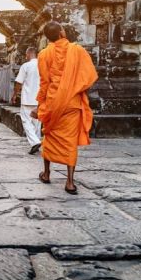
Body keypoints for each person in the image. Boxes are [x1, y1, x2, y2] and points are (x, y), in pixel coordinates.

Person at [33, 22, 98, 195]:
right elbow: (89, 76)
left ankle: (46, 173)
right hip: (72, 102)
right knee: (69, 142)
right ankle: (69, 182)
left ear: (47, 37)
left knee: (49, 135)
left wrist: (40, 104)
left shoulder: (44, 54)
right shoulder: (77, 51)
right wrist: (76, 90)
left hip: (53, 103)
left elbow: (44, 83)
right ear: (62, 32)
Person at [12, 47, 42, 155]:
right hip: (39, 98)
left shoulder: (26, 66)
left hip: (27, 98)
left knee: (26, 121)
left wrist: (14, 94)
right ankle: (37, 141)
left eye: (26, 54)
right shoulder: (42, 65)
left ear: (28, 54)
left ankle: (35, 142)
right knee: (37, 122)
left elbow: (19, 82)